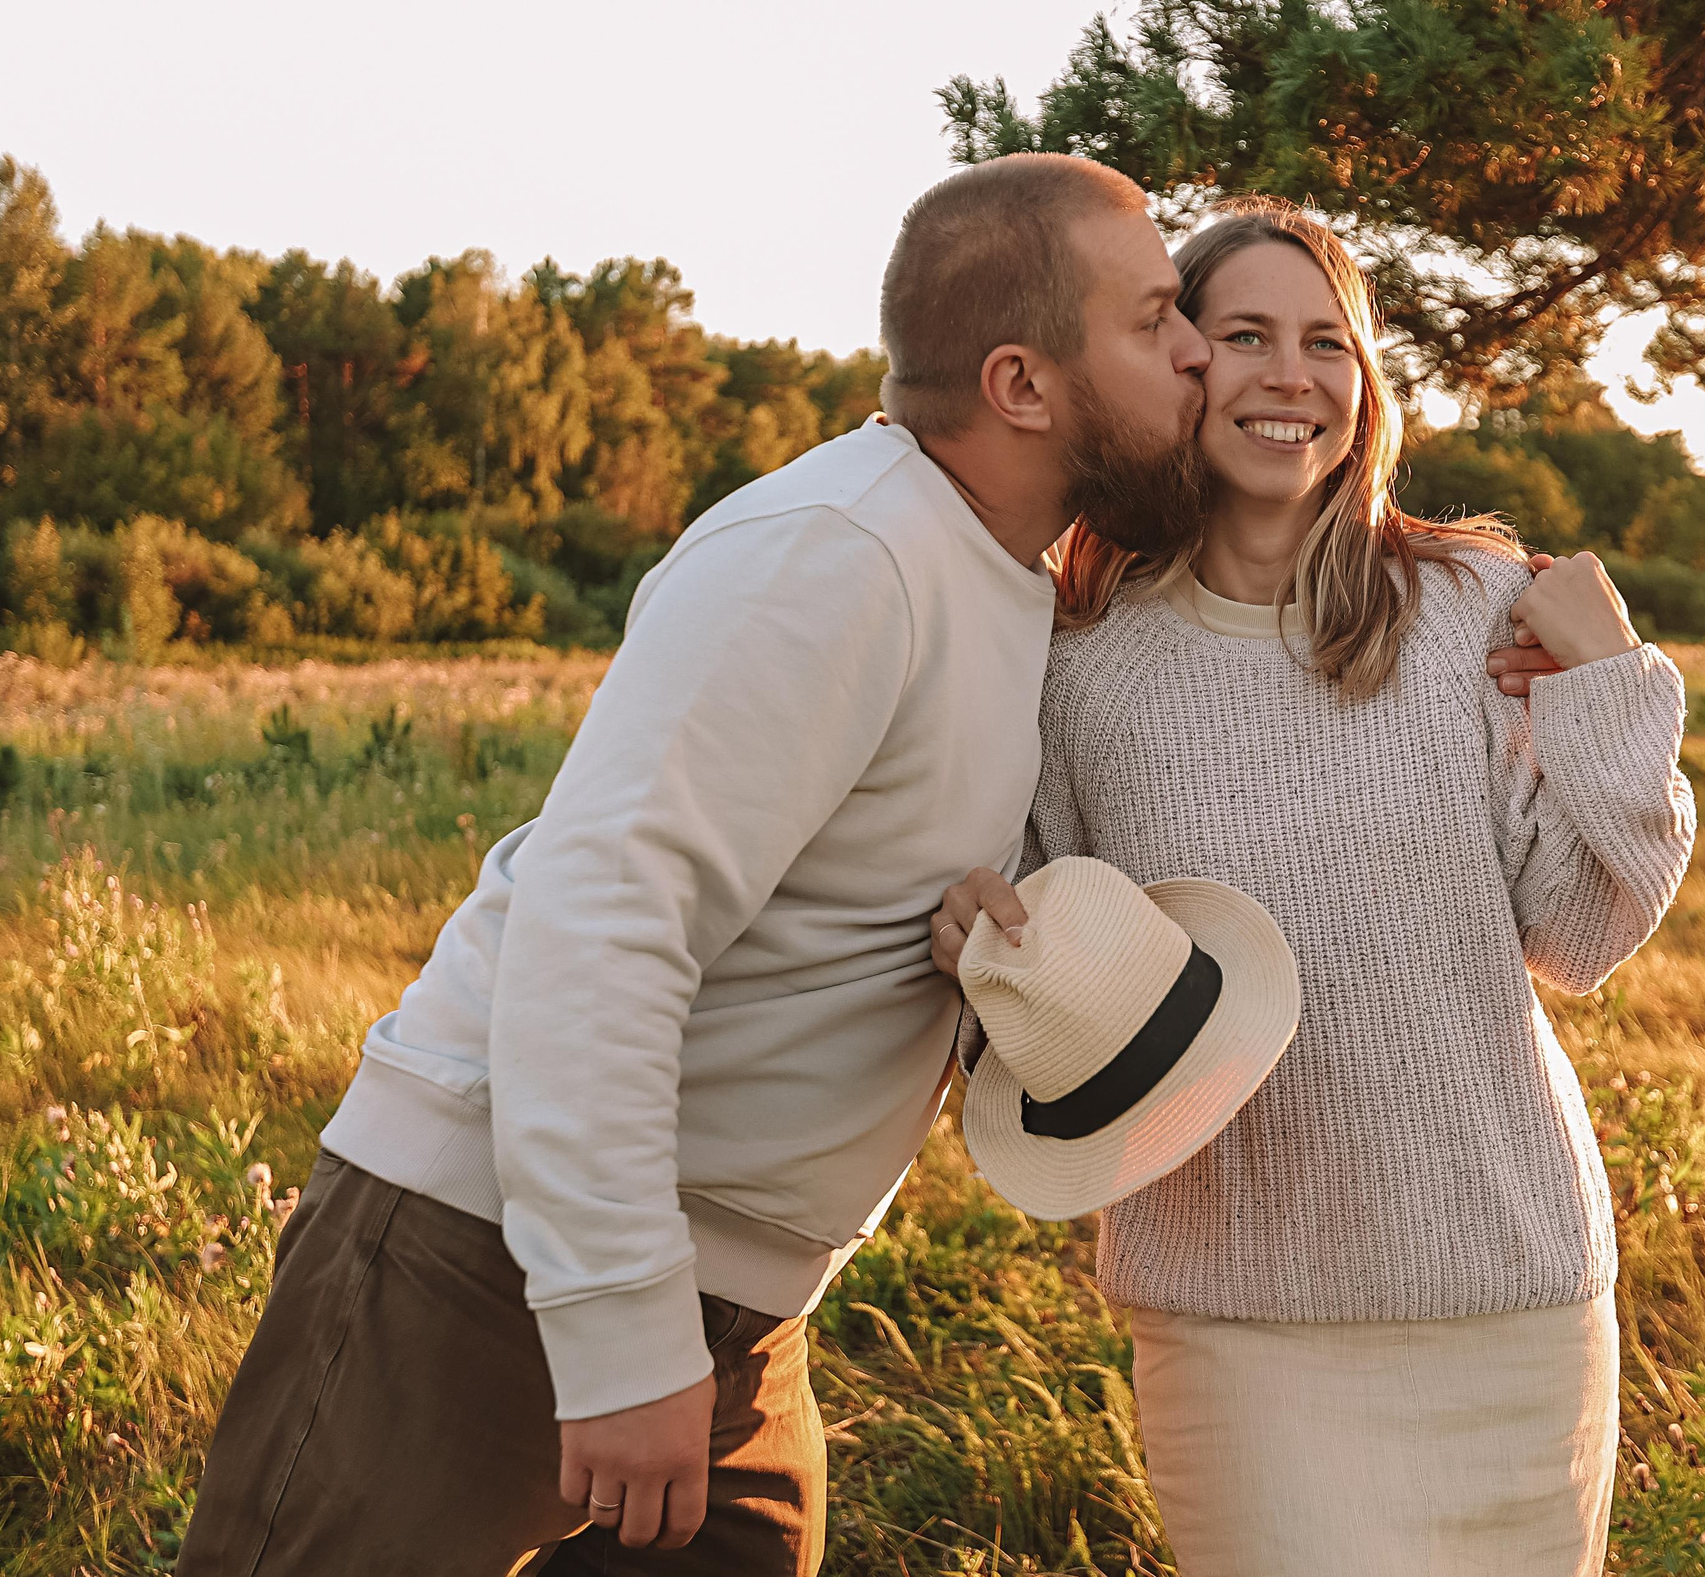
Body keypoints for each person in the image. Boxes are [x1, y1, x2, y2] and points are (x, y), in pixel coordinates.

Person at [173, 152, 1221, 1577]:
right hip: (491, 1266)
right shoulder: (838, 553)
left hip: (736, 1309)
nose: (1198, 351)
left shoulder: (1004, 580)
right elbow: (600, 923)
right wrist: (616, 1328)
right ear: (1022, 385)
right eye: (1157, 319)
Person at [932, 204, 1697, 1577]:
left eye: (1326, 343)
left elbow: (1586, 930)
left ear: (1366, 384)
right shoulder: (1080, 661)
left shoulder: (1469, 606)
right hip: (1235, 1320)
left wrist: (1613, 686)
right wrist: (986, 954)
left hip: (1504, 1295)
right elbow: (1050, 1010)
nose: (1292, 377)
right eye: (1244, 337)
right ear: (1179, 366)